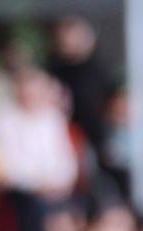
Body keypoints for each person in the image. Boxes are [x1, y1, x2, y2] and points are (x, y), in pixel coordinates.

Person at [0, 66, 78, 231]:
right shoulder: (3, 118)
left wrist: (59, 182)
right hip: (21, 191)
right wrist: (38, 185)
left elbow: (66, 160)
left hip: (55, 189)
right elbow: (5, 166)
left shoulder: (52, 118)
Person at [45, 17, 111, 166]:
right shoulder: (53, 70)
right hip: (63, 136)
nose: (69, 42)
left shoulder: (99, 70)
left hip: (94, 136)